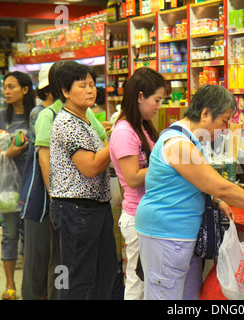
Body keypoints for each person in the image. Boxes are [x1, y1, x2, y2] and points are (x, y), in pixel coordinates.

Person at [135, 84, 244, 300]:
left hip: (180, 236)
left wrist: (215, 200)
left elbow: (195, 183)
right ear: (205, 113)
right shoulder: (179, 145)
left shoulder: (187, 140)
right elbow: (220, 186)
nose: (225, 129)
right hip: (165, 234)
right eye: (223, 121)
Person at [48, 61, 117, 300]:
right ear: (65, 92)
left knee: (104, 272)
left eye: (92, 84)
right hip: (76, 209)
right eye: (82, 85)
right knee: (77, 277)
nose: (90, 90)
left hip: (93, 207)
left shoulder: (84, 119)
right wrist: (117, 139)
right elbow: (91, 167)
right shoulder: (68, 123)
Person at [109, 67, 164, 300]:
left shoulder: (142, 126)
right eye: (157, 100)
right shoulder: (124, 131)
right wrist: (167, 165)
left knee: (146, 279)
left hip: (148, 213)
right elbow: (131, 178)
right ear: (140, 96)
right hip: (136, 216)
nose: (159, 106)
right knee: (137, 282)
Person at [0, 71, 34, 300]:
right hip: (7, 189)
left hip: (32, 185)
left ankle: (27, 284)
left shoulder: (36, 115)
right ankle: (10, 286)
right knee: (8, 234)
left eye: (11, 87)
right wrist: (5, 152)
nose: (6, 91)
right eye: (5, 87)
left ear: (25, 90)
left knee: (30, 236)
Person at [21, 64, 55, 300]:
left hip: (51, 197)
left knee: (53, 261)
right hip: (40, 197)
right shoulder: (42, 114)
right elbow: (46, 158)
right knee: (37, 262)